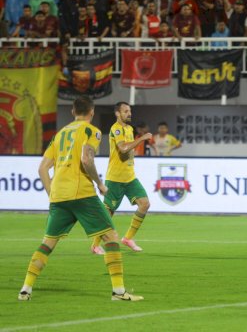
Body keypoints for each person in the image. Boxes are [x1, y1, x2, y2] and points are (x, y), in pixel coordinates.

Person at [17, 96, 143, 302]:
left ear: (72, 112)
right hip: (82, 193)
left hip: (59, 195)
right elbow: (87, 159)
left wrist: (52, 196)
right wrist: (100, 184)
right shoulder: (90, 130)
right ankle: (119, 292)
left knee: (48, 243)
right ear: (91, 112)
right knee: (111, 237)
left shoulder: (59, 134)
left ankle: (26, 289)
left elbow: (42, 169)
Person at [90, 102, 154, 255]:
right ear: (117, 114)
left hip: (130, 177)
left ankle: (128, 239)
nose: (129, 113)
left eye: (130, 111)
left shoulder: (129, 129)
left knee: (144, 204)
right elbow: (123, 148)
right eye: (125, 111)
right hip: (115, 178)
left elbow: (128, 151)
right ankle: (95, 245)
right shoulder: (116, 129)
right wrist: (142, 138)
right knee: (108, 212)